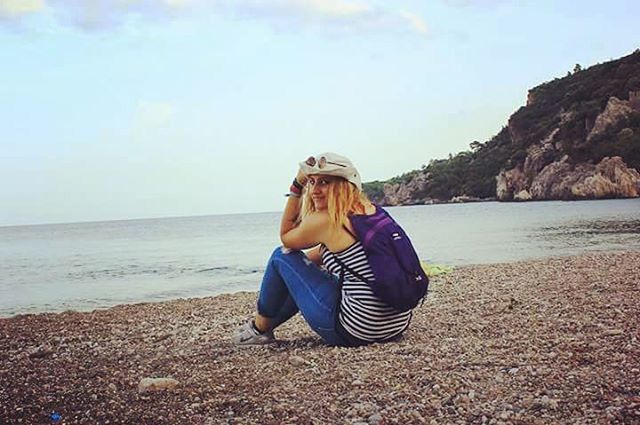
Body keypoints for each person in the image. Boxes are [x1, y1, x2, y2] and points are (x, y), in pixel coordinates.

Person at [233, 152, 413, 347]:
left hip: (357, 330)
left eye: (324, 183)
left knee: (280, 256)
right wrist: (297, 270)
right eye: (311, 182)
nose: (313, 191)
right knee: (296, 272)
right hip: (396, 323)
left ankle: (258, 329)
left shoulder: (326, 220)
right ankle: (263, 326)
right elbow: (332, 255)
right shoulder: (371, 210)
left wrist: (296, 188)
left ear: (343, 185)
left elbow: (286, 237)